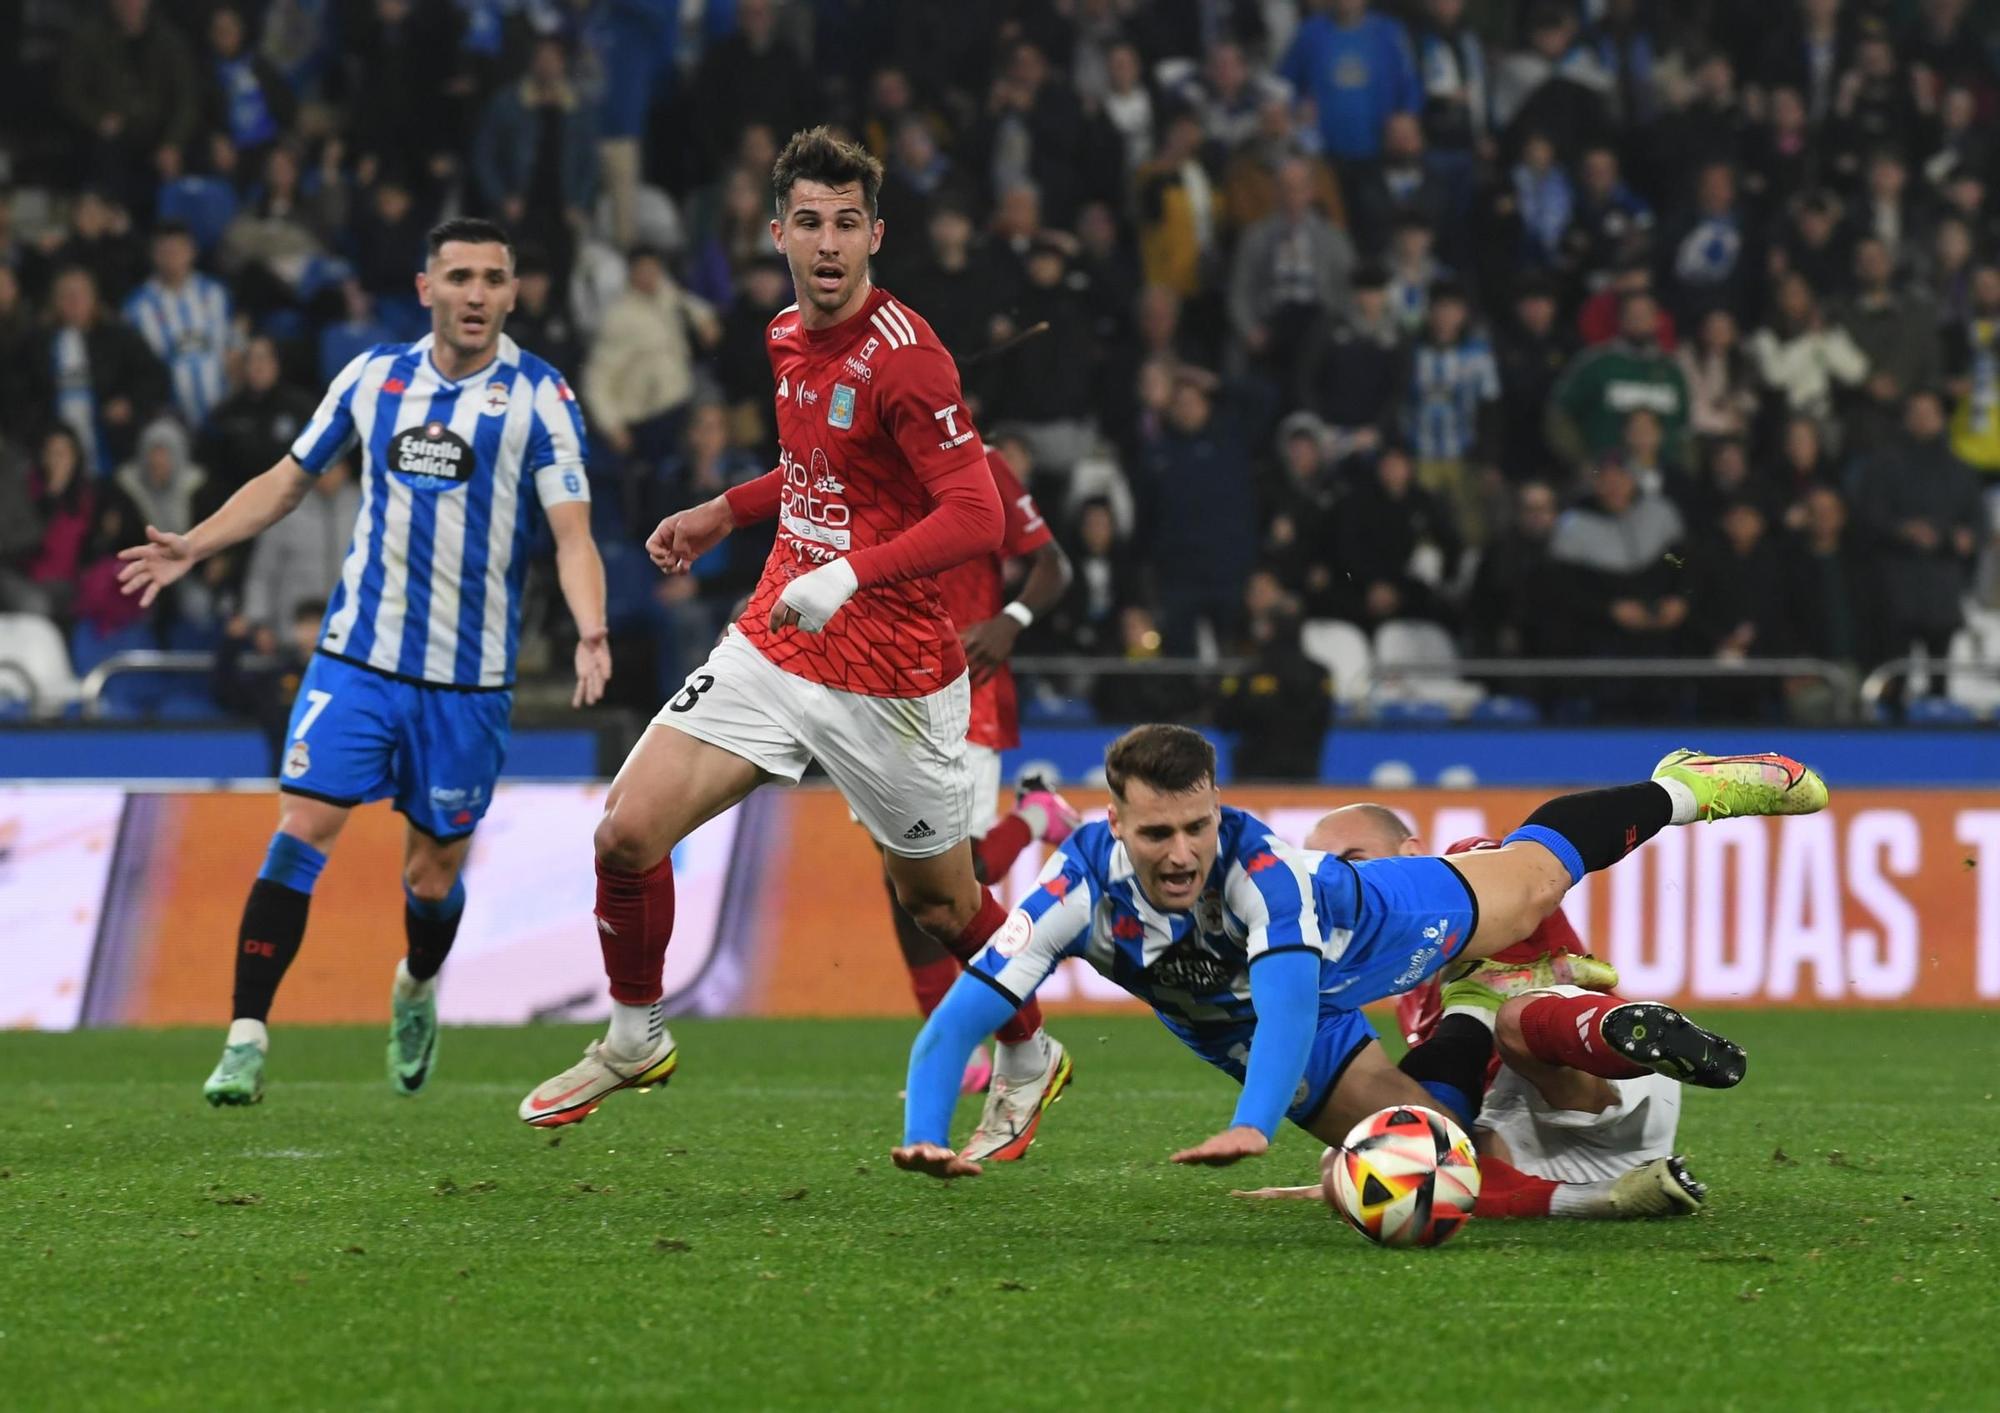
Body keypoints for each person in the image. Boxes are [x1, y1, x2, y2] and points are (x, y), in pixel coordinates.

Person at [518, 128, 1073, 1165]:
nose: (827, 244)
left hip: (894, 677)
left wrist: (851, 572)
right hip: (777, 639)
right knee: (625, 833)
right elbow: (817, 467)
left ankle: (1031, 1051)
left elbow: (976, 519)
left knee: (939, 901)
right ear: (775, 232)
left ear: (876, 234)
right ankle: (635, 1036)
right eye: (808, 223)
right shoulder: (783, 334)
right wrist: (724, 512)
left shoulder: (908, 360)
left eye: (847, 224)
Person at [893, 725, 1823, 1222]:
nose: (1180, 853)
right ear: (1115, 822)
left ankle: (1689, 785)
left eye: (1196, 826)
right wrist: (924, 1131)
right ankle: (1503, 1055)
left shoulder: (1264, 874)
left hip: (1369, 924)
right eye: (1156, 833)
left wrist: (1254, 1124)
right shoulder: (1071, 889)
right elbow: (960, 1014)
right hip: (1235, 1023)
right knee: (1427, 1147)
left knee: (1534, 882)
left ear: (1217, 808)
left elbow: (1293, 999)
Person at [117, 217, 612, 1108]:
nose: (475, 293)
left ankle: (417, 984)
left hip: (468, 684)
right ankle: (244, 1037)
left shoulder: (541, 397)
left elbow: (572, 532)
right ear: (425, 287)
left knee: (432, 876)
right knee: (302, 826)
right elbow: (288, 477)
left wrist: (591, 629)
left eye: (492, 278)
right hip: (357, 659)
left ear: (511, 292)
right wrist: (193, 544)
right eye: (457, 275)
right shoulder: (373, 376)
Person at [1228, 806, 1720, 1215]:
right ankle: (1611, 1198)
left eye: (1353, 861)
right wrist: (1366, 1172)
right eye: (1325, 868)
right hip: (1555, 1141)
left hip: (1599, 1079)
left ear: (1412, 855)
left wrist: (1549, 968)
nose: (1338, 883)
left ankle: (1637, 1043)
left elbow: (1527, 886)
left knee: (1513, 1021)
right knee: (1353, 1158)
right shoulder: (1409, 990)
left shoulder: (1468, 872)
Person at [883, 445, 1079, 1096]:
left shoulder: (978, 461)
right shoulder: (859, 457)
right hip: (878, 691)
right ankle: (953, 1044)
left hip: (963, 687)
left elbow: (1054, 564)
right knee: (900, 877)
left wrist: (1010, 620)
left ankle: (1033, 817)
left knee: (955, 873)